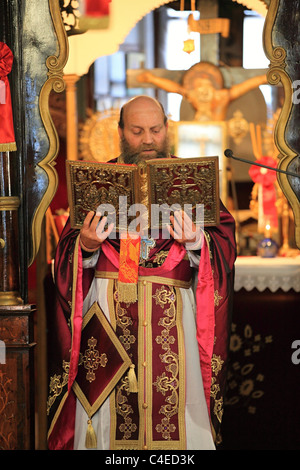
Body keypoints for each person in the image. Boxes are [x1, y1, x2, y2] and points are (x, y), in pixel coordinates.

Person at [47, 95, 236, 450]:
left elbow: (223, 239)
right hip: (108, 323)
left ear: (167, 129)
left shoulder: (191, 180)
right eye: (137, 131)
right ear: (120, 132)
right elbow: (65, 255)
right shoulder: (97, 182)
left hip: (176, 325)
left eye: (155, 129)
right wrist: (86, 245)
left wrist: (197, 241)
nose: (148, 139)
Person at [136, 61, 267, 121]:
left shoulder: (222, 96)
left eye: (207, 84)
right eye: (200, 85)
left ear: (215, 86)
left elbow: (246, 86)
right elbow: (174, 88)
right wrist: (152, 78)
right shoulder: (194, 96)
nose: (204, 91)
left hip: (218, 133)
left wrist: (263, 78)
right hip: (196, 133)